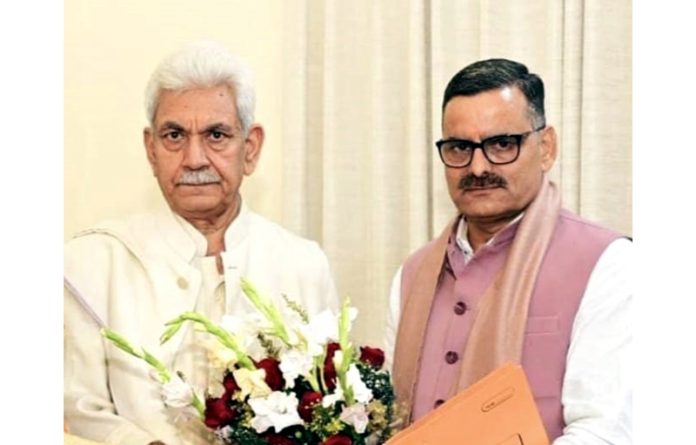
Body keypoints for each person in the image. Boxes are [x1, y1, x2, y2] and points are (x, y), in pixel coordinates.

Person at [64, 41, 339, 445]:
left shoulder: (302, 264)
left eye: (216, 135)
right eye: (174, 135)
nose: (194, 158)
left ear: (250, 148)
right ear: (151, 149)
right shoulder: (89, 263)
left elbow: (328, 408)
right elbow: (74, 407)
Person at [385, 59, 631, 443]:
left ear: (546, 147)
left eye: (502, 144)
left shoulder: (607, 265)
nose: (478, 166)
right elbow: (389, 419)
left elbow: (606, 431)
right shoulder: (412, 276)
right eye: (460, 147)